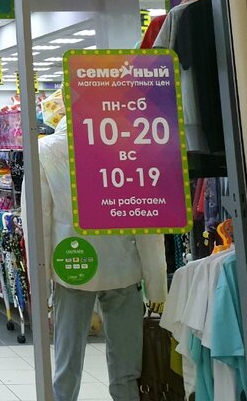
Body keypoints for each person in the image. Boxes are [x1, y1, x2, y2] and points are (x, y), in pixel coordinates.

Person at [25, 110, 166, 401]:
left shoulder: (45, 150)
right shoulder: (128, 145)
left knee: (66, 363)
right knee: (126, 369)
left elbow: (39, 222)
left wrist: (39, 280)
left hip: (72, 264)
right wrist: (157, 285)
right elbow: (146, 220)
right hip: (123, 264)